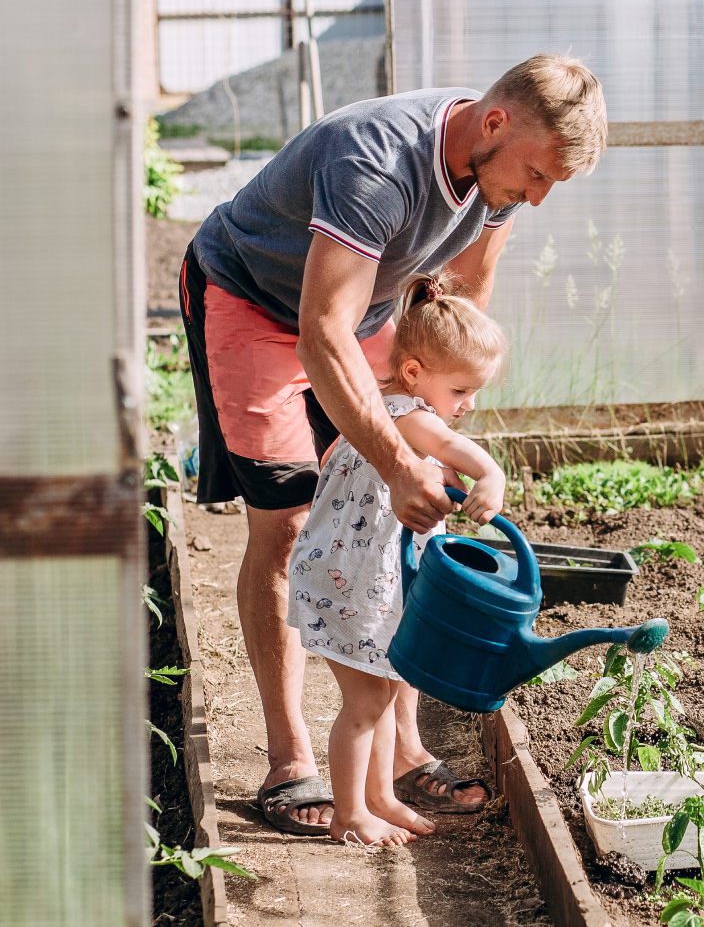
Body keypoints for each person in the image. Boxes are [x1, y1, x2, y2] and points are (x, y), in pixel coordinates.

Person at [177, 54, 607, 834]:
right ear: (495, 121)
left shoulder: (498, 179)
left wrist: (436, 430)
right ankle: (291, 760)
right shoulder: (376, 161)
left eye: (552, 185)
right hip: (255, 296)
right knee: (286, 525)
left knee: (404, 522)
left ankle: (403, 751)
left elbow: (465, 304)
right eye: (538, 174)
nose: (537, 197)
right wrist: (397, 457)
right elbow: (320, 331)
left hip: (365, 312)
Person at [290, 271, 509, 846]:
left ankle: (379, 796)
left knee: (384, 690)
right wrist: (491, 471)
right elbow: (455, 447)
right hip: (348, 582)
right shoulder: (405, 412)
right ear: (414, 372)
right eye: (460, 391)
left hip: (365, 579)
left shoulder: (403, 410)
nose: (466, 405)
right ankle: (348, 812)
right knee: (363, 702)